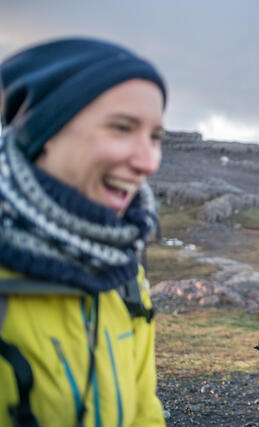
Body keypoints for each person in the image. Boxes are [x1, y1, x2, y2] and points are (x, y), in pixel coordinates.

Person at [0, 38, 167, 426]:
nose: (149, 162)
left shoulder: (122, 271)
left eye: (156, 137)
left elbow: (144, 411)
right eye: (122, 128)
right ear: (43, 131)